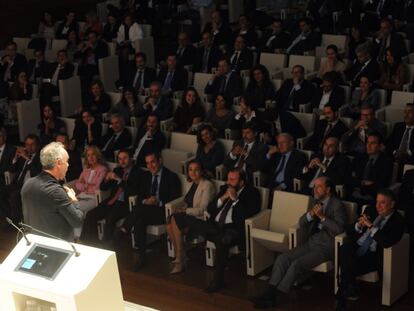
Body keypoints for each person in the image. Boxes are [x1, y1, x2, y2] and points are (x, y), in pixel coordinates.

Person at [252, 177, 347, 309]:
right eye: (314, 186)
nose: (315, 189)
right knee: (282, 258)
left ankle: (274, 297)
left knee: (297, 264)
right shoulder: (316, 201)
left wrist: (322, 217)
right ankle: (269, 292)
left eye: (319, 187)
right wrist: (310, 214)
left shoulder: (337, 205)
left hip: (325, 247)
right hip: (311, 242)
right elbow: (302, 222)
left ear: (328, 189)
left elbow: (339, 230)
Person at [336, 189, 405, 311]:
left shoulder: (398, 220)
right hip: (356, 248)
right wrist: (358, 225)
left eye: (382, 203)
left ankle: (343, 293)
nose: (378, 206)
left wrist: (371, 227)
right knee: (345, 248)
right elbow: (348, 229)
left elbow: (386, 242)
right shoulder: (370, 210)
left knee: (347, 267)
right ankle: (349, 288)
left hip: (374, 254)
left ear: (392, 204)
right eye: (377, 202)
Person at [193, 168, 260, 292]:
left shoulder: (252, 193)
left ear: (241, 182)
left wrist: (235, 200)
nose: (228, 182)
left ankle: (218, 281)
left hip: (233, 229)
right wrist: (223, 198)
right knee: (186, 221)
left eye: (232, 179)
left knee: (221, 240)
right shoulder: (225, 189)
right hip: (216, 225)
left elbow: (245, 215)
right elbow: (211, 208)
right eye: (228, 178)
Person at [116, 152, 181, 270]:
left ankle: (122, 232)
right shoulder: (146, 176)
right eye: (147, 163)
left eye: (153, 162)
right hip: (147, 210)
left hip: (164, 212)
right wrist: (146, 201)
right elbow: (140, 196)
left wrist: (158, 202)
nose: (150, 166)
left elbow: (175, 198)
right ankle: (142, 257)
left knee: (138, 211)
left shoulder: (171, 177)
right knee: (139, 219)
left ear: (160, 161)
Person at [21, 142, 84, 242]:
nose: (68, 165)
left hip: (34, 244)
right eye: (66, 161)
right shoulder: (56, 192)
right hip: (57, 248)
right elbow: (77, 221)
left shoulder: (27, 184)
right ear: (58, 163)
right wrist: (74, 200)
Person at [166, 160, 216, 273]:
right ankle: (181, 255)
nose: (193, 172)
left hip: (202, 219)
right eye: (190, 170)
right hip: (190, 217)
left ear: (202, 171)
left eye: (196, 169)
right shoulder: (191, 183)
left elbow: (202, 210)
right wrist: (180, 208)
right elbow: (188, 201)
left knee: (175, 218)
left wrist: (185, 211)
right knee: (169, 224)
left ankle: (179, 258)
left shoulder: (207, 185)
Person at [81, 149, 139, 243]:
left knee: (110, 219)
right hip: (112, 200)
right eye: (120, 159)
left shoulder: (138, 172)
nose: (122, 161)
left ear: (131, 158)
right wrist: (106, 179)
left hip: (125, 203)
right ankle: (91, 243)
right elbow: (103, 188)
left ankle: (106, 246)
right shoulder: (117, 170)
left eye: (125, 158)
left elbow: (132, 191)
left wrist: (119, 179)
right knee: (91, 215)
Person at [0, 134, 41, 223]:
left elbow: (37, 173)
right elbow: (12, 170)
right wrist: (15, 159)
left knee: (14, 196)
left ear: (37, 145)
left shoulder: (40, 157)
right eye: (27, 144)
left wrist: (27, 158)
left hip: (30, 186)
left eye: (32, 144)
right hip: (17, 183)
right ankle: (9, 217)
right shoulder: (23, 156)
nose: (29, 147)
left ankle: (17, 223)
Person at [73, 145, 108, 239]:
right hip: (82, 196)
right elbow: (77, 184)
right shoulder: (86, 169)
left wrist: (85, 186)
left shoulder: (102, 169)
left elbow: (97, 186)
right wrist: (86, 186)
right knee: (70, 208)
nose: (91, 157)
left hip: (94, 198)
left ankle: (77, 237)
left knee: (75, 209)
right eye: (88, 155)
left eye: (93, 155)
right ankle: (77, 236)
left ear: (98, 156)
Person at [351, 133, 393, 205]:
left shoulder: (386, 162)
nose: (369, 146)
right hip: (354, 193)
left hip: (373, 197)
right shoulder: (359, 158)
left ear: (380, 146)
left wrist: (360, 186)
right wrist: (362, 183)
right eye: (368, 142)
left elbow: (381, 184)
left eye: (373, 143)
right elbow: (349, 178)